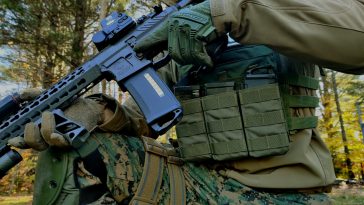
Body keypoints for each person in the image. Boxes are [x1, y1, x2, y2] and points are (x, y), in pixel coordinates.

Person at [8, 0, 364, 204]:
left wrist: (230, 12)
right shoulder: (180, 36)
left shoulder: (280, 9)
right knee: (74, 152)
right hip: (199, 185)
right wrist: (93, 111)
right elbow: (144, 116)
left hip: (290, 195)